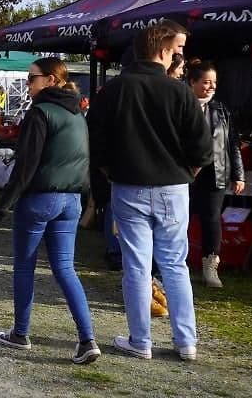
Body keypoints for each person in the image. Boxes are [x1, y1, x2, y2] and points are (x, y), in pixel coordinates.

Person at [88, 20, 211, 362]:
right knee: (175, 265)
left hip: (129, 187)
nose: (181, 55)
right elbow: (202, 149)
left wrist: (110, 172)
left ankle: (140, 340)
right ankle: (186, 342)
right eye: (179, 50)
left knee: (137, 267)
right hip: (173, 187)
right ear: (163, 50)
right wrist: (187, 172)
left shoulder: (113, 90)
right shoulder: (180, 92)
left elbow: (95, 144)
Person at [0, 57, 99, 365]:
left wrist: (4, 203)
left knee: (25, 266)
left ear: (50, 80)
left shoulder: (40, 113)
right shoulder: (78, 112)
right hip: (71, 200)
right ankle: (87, 338)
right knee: (65, 268)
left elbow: (27, 163)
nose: (28, 84)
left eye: (31, 78)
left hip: (40, 198)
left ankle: (20, 333)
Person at [187, 60, 245, 289]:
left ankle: (210, 266)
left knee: (211, 219)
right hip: (186, 171)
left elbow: (232, 142)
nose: (211, 87)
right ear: (192, 82)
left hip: (216, 172)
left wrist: (238, 174)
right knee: (182, 218)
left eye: (214, 83)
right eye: (206, 82)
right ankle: (175, 263)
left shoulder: (221, 109)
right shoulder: (183, 104)